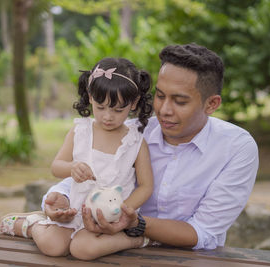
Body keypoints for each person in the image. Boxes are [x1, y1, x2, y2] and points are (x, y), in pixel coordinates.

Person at [43, 43, 259, 251]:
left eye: (180, 102)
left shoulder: (236, 148)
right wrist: (60, 199)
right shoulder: (130, 132)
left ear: (211, 104)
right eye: (160, 95)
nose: (164, 110)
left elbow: (203, 231)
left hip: (190, 257)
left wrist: (134, 223)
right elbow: (92, 173)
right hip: (116, 249)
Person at [0, 57, 154, 260]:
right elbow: (56, 166)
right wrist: (72, 167)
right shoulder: (80, 131)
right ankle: (32, 225)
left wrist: (124, 212)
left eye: (118, 110)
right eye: (101, 107)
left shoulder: (135, 141)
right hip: (76, 210)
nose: (108, 116)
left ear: (133, 104)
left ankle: (136, 240)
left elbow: (146, 186)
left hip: (110, 217)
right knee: (53, 247)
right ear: (90, 97)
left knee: (82, 249)